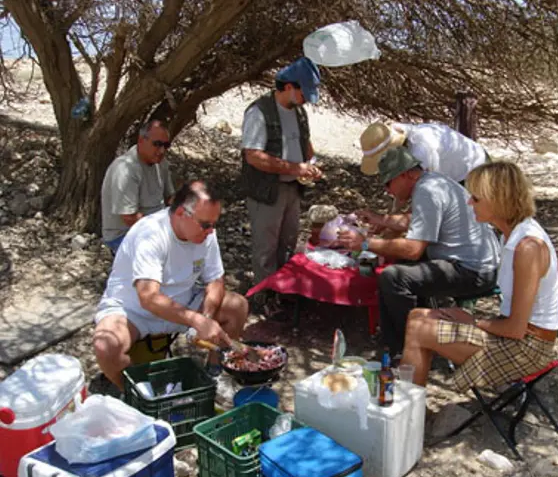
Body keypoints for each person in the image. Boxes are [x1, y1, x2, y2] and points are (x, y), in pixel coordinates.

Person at [400, 162, 558, 392]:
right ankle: (408, 402)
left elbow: (516, 329)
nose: (469, 203)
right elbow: (555, 273)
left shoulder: (528, 247)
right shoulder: (513, 235)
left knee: (420, 330)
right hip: (518, 336)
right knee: (417, 316)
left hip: (528, 348)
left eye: (476, 198)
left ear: (497, 200)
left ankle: (407, 408)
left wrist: (473, 321)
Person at [338, 147, 499, 357]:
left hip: (473, 271)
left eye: (388, 183)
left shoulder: (427, 191)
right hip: (477, 263)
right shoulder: (433, 181)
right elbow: (416, 220)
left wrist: (366, 244)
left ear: (406, 175)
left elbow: (413, 249)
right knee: (401, 267)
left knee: (393, 277)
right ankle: (405, 335)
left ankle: (407, 347)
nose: (388, 191)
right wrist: (382, 219)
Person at [93, 181, 249, 390]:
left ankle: (215, 373)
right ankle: (137, 394)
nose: (211, 231)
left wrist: (206, 317)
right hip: (133, 310)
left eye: (214, 224)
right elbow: (148, 298)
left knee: (237, 306)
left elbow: (215, 280)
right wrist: (195, 320)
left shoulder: (206, 234)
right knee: (105, 347)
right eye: (205, 225)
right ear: (181, 213)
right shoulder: (150, 233)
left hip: (183, 301)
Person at [240, 57, 322, 315]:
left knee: (288, 243)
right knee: (266, 248)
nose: (306, 100)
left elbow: (305, 144)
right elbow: (253, 156)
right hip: (267, 191)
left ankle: (283, 292)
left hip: (293, 188)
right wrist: (295, 168)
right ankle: (263, 297)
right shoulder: (259, 112)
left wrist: (312, 164)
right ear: (288, 87)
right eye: (304, 93)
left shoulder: (299, 112)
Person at [101, 120, 176, 254]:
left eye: (166, 145)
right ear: (141, 140)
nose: (162, 150)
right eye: (157, 144)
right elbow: (130, 218)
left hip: (155, 226)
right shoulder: (126, 169)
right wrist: (163, 232)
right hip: (126, 234)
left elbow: (170, 198)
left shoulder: (160, 163)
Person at [359, 121, 489, 183]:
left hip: (475, 170)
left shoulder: (421, 151)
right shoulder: (402, 131)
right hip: (456, 171)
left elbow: (432, 188)